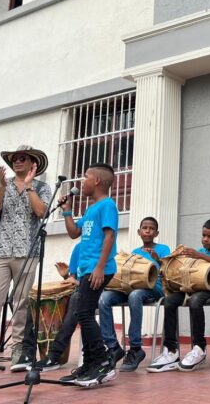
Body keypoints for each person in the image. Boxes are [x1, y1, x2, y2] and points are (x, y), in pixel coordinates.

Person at [0, 145, 51, 370]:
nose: (17, 162)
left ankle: (18, 349)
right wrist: (2, 188)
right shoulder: (0, 184)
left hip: (28, 252)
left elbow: (41, 212)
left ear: (32, 163)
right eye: (14, 159)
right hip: (1, 251)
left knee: (21, 301)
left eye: (22, 159)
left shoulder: (42, 187)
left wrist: (29, 187)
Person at [60, 162, 119, 387]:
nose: (81, 181)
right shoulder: (91, 209)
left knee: (84, 313)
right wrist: (67, 210)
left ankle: (103, 362)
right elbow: (74, 232)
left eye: (85, 177)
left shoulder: (108, 206)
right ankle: (90, 364)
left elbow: (110, 237)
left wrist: (100, 267)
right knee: (84, 315)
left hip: (98, 269)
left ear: (96, 181)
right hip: (87, 269)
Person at [146, 219, 210, 373]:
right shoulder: (201, 251)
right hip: (196, 287)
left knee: (195, 301)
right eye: (204, 235)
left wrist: (198, 255)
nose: (205, 239)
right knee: (170, 301)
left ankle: (199, 347)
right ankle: (171, 350)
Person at [99, 217, 170, 371]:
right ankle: (113, 347)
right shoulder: (134, 252)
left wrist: (158, 259)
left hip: (154, 288)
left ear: (156, 232)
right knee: (104, 298)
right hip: (131, 287)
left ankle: (136, 348)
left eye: (151, 228)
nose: (148, 230)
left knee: (135, 296)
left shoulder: (163, 249)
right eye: (144, 227)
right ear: (139, 232)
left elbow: (169, 270)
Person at [28, 243, 82, 379]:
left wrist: (78, 284)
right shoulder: (79, 248)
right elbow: (73, 278)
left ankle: (54, 355)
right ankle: (28, 353)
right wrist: (66, 277)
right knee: (37, 298)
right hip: (77, 291)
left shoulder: (104, 246)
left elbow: (99, 279)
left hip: (92, 292)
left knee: (76, 298)